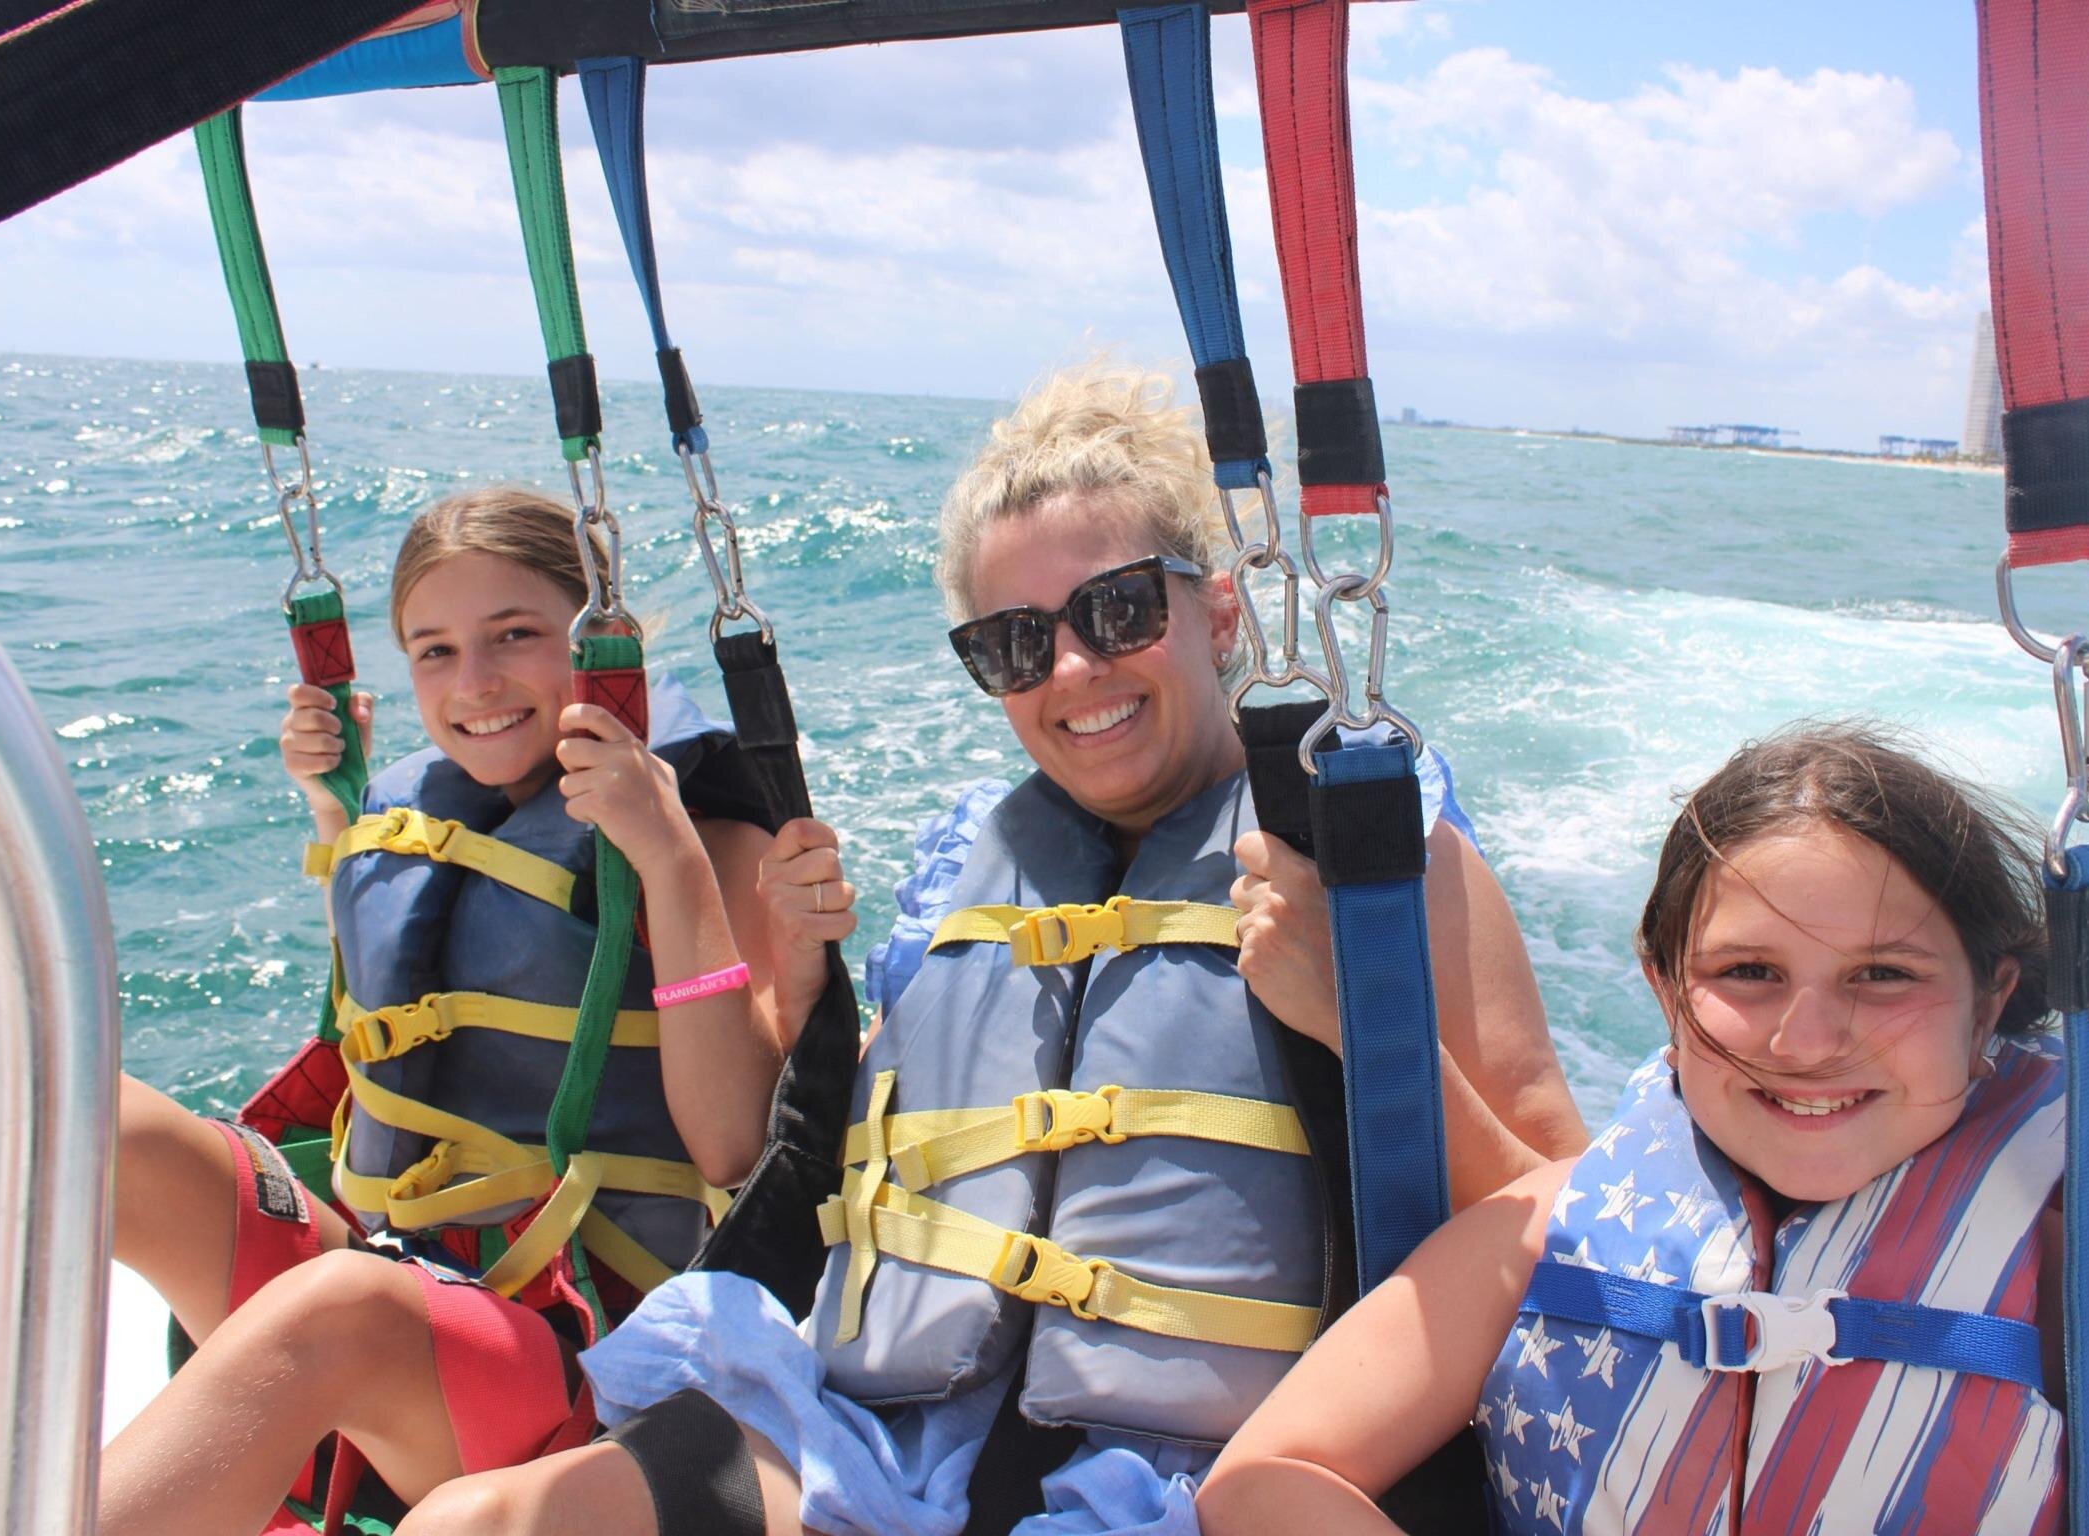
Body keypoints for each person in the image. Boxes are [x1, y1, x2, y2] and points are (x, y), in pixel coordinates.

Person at [395, 361, 1587, 1536]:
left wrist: (1360, 1024)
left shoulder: (1375, 857)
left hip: (1184, 1490)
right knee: (478, 1523)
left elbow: (1566, 1224)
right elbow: (738, 1151)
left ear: (1219, 612)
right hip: (883, 1457)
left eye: (1119, 610)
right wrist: (787, 986)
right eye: (1015, 644)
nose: (1071, 669)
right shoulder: (963, 870)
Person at [1197, 724, 2089, 1536]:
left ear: (1989, 1004)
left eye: (1883, 976)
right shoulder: (1542, 1230)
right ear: (1664, 987)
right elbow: (1267, 1479)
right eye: (1749, 973)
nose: (1805, 1039)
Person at [101, 488, 793, 1536]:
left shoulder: (710, 833)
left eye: (515, 635)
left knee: (339, 1311)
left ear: (602, 646)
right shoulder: (418, 806)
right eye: (434, 651)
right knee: (98, 1123)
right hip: (402, 1287)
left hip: (579, 1365)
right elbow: (397, 1015)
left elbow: (737, 1145)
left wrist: (668, 858)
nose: (474, 684)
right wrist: (337, 815)